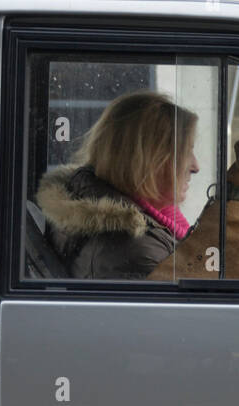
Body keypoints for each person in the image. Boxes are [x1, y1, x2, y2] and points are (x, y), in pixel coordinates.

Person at [36, 90, 201, 279]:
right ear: (148, 162)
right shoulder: (138, 252)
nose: (196, 167)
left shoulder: (148, 225)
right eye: (186, 152)